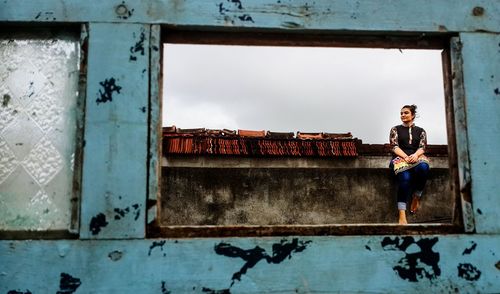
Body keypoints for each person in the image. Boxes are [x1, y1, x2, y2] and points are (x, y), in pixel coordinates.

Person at [389, 104, 430, 225]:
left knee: (424, 167)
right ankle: (402, 214)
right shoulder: (395, 129)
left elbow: (423, 147)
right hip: (400, 158)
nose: (402, 115)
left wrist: (416, 155)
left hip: (416, 157)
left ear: (413, 115)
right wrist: (406, 157)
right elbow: (394, 146)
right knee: (405, 178)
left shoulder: (421, 131)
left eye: (406, 113)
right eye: (401, 113)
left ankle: (416, 196)